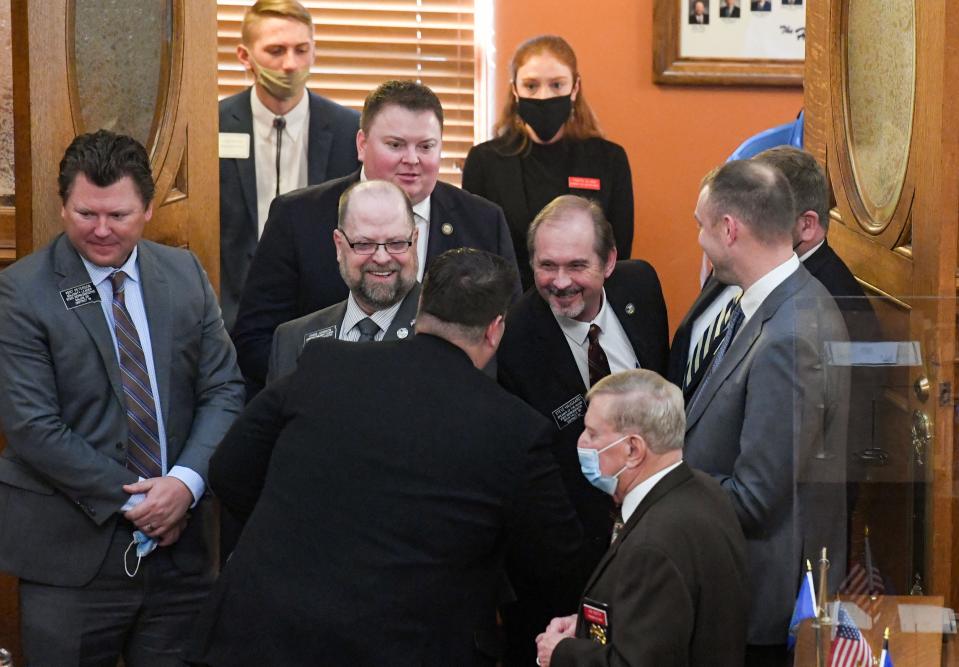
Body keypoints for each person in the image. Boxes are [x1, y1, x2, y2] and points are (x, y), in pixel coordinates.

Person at [188, 249, 582, 667]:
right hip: (405, 643)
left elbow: (229, 470)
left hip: (258, 635)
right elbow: (556, 561)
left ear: (420, 309)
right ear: (495, 329)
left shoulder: (327, 364)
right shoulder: (515, 429)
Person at [0, 130, 244, 665]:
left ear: (150, 209)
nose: (103, 230)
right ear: (63, 207)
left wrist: (184, 485)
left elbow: (224, 389)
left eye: (120, 215)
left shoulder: (184, 275)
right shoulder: (22, 291)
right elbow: (31, 425)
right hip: (70, 561)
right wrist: (143, 500)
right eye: (87, 214)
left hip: (181, 561)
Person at [233, 79, 519, 395]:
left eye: (426, 146)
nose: (412, 159)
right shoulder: (298, 215)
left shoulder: (482, 220)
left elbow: (508, 333)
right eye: (395, 145)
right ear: (361, 144)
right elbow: (256, 338)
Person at [682, 160, 848, 666]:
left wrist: (659, 488)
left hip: (761, 608)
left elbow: (756, 497)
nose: (700, 242)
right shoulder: (765, 304)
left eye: (701, 226)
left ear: (729, 229)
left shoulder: (791, 334)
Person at [496, 195, 668, 666]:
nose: (561, 282)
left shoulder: (643, 289)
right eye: (546, 266)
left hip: (654, 543)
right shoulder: (513, 339)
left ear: (610, 261)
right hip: (563, 567)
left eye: (577, 265)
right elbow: (531, 482)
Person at [535, 370, 748, 667]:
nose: (582, 441)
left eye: (593, 433)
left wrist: (561, 653)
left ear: (633, 449)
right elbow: (662, 625)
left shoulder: (653, 545)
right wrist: (587, 627)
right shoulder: (703, 490)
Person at [219, 0, 360, 330]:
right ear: (245, 56)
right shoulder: (211, 126)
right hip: (231, 314)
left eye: (301, 50)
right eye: (276, 50)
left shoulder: (350, 130)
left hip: (323, 313)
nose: (290, 64)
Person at [462, 35, 634, 289]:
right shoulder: (484, 161)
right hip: (508, 312)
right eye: (531, 86)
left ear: (574, 88)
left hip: (585, 309)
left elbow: (617, 254)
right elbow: (476, 254)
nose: (544, 96)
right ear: (515, 90)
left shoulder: (610, 160)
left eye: (556, 85)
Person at [267, 179, 421, 382]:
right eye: (364, 244)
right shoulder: (292, 341)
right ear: (339, 246)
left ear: (415, 241)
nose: (382, 258)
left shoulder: (450, 337)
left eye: (396, 243)